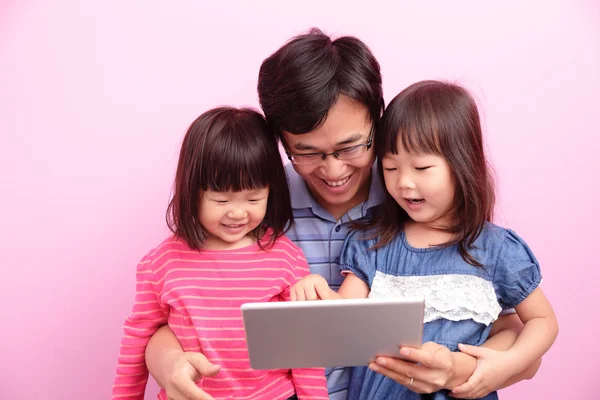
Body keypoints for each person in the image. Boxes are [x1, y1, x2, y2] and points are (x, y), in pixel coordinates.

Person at [143, 29, 542, 400]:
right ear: (280, 141)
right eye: (307, 152)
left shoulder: (419, 206)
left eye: (351, 147)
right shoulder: (250, 209)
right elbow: (172, 318)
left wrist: (459, 371)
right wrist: (169, 365)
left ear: (378, 121)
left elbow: (515, 337)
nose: (333, 171)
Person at [291, 80, 559, 399]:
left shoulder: (496, 248)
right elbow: (346, 316)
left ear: (462, 164)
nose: (404, 183)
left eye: (421, 167)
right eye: (390, 168)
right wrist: (314, 292)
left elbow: (542, 320)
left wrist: (507, 363)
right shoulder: (371, 242)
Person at [111, 107, 328, 400]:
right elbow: (139, 337)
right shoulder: (161, 263)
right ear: (193, 192)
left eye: (253, 198)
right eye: (221, 199)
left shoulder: (286, 258)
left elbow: (304, 346)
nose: (237, 212)